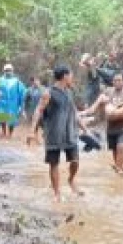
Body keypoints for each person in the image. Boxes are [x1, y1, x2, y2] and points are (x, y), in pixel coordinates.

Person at [28, 66, 89, 203]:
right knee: (54, 163)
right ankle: (57, 193)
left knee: (75, 161)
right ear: (65, 76)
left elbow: (74, 112)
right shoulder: (48, 93)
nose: (72, 78)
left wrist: (85, 129)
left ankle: (71, 180)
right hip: (53, 134)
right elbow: (38, 110)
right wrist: (32, 131)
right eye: (71, 75)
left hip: (70, 133)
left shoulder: (69, 92)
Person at [81, 72, 123, 176]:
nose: (117, 82)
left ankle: (120, 169)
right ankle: (119, 167)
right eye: (115, 80)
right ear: (112, 82)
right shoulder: (108, 92)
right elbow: (98, 106)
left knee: (121, 146)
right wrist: (87, 113)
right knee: (114, 150)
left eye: (119, 80)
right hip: (111, 127)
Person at [0, 63, 26, 139]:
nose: (8, 72)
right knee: (2, 117)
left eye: (9, 70)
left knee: (12, 118)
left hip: (13, 104)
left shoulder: (16, 81)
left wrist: (24, 97)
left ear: (12, 71)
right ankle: (3, 132)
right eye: (6, 70)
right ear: (4, 71)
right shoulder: (0, 80)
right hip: (2, 103)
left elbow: (23, 91)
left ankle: (10, 134)